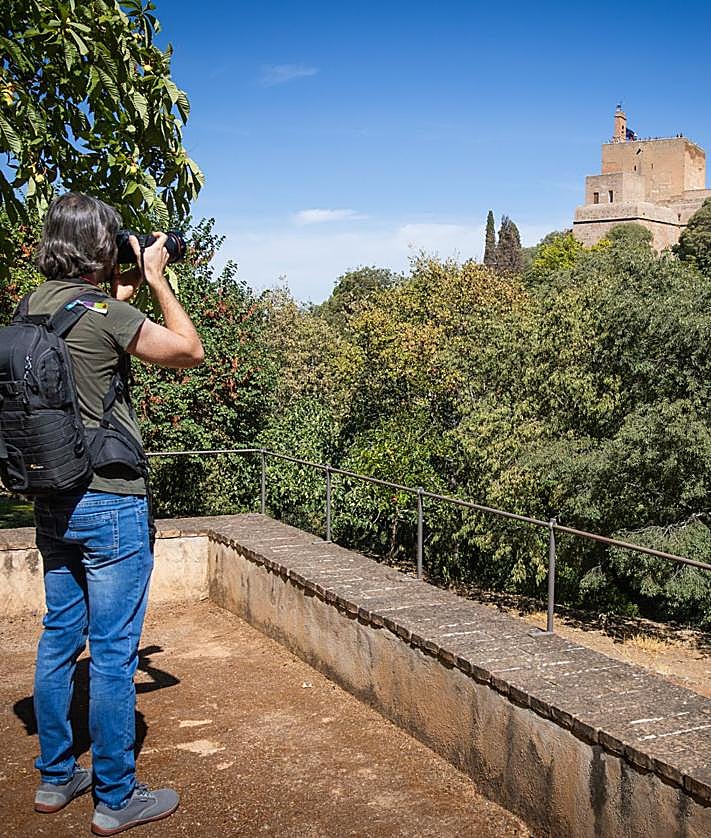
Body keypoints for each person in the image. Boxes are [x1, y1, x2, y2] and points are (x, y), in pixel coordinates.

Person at [28, 193, 203, 835]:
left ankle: (55, 780)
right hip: (111, 501)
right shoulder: (105, 313)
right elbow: (188, 350)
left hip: (52, 499)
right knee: (112, 653)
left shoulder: (33, 308)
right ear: (101, 249)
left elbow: (88, 347)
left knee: (57, 639)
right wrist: (154, 279)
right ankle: (115, 797)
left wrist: (117, 292)